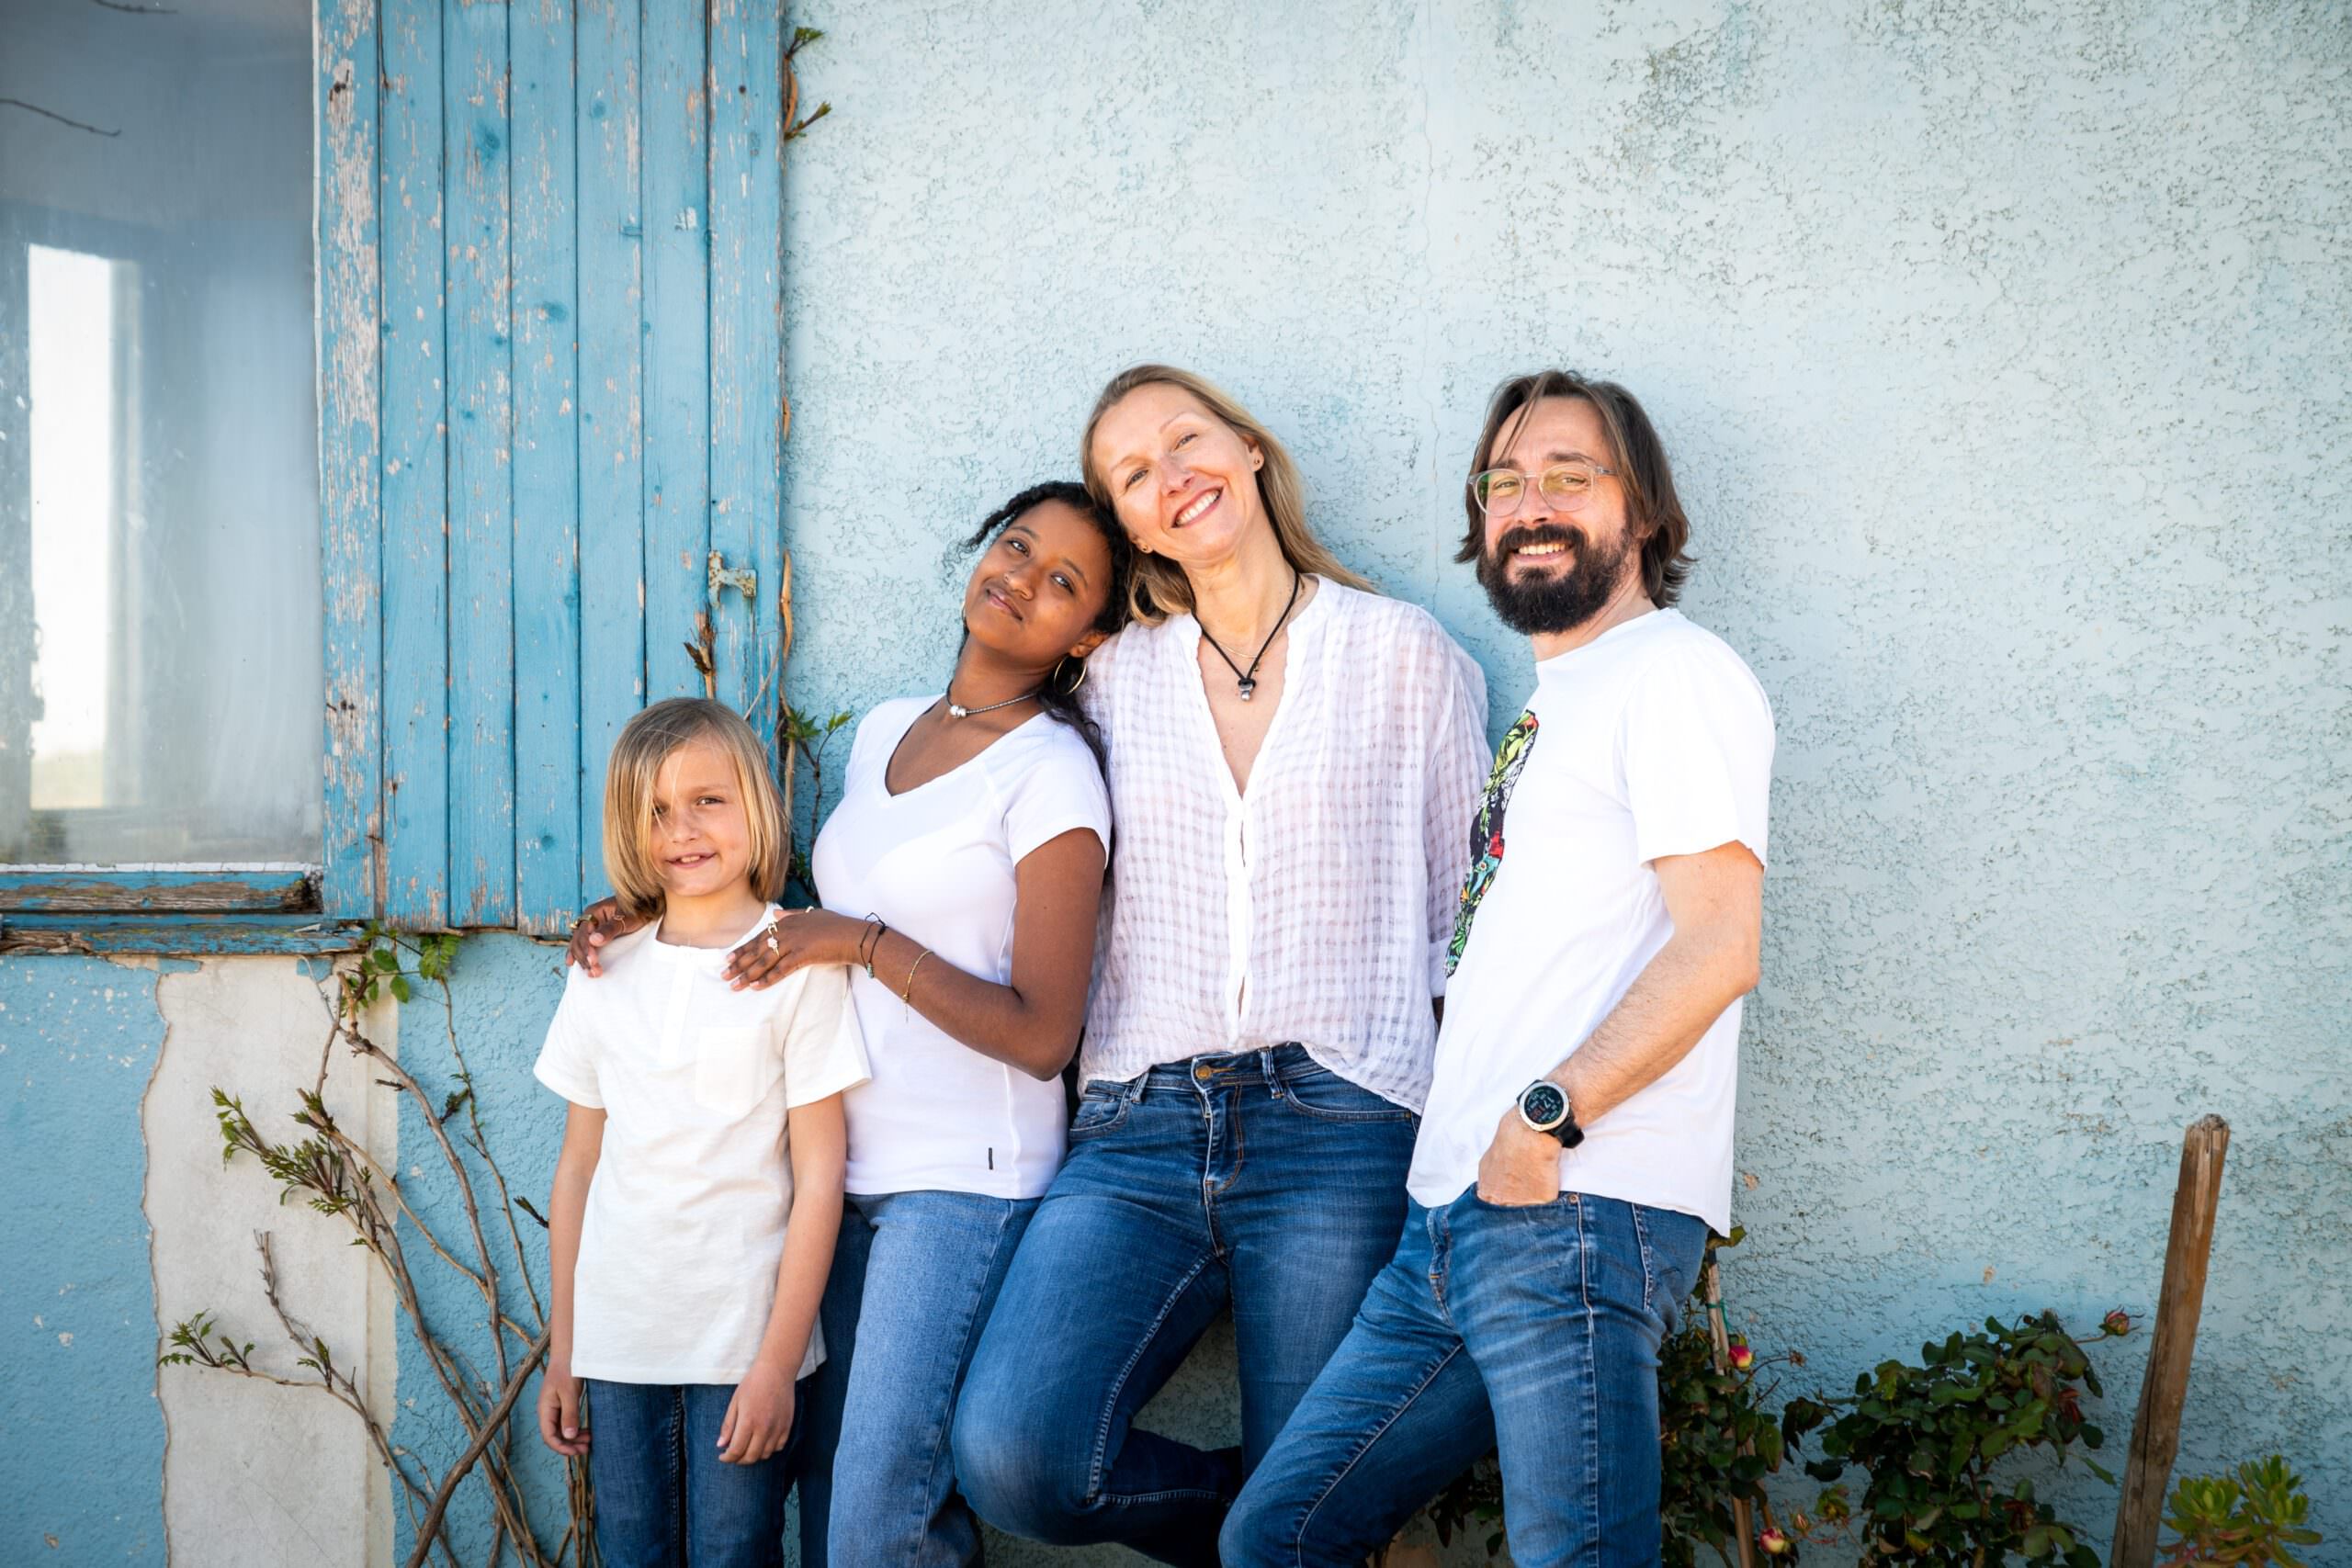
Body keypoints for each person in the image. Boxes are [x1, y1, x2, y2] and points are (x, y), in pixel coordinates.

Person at [1222, 370, 1775, 1567]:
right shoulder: (1554, 704)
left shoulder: (1672, 674)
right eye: (1505, 480)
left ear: (1643, 512)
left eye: (1570, 476)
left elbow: (1722, 941)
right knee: (1283, 1529)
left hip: (1573, 1199)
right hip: (1452, 1219)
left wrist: (1546, 1115)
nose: (1533, 502)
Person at [944, 366, 1489, 1566]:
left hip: (1343, 1117)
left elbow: (1472, 936)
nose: (1171, 475)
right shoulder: (1103, 683)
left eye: (1186, 440)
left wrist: (1471, 1156)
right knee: (1015, 1455)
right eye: (1134, 474)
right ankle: (1277, 1523)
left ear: (1247, 448)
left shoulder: (1407, 655)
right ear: (1131, 526)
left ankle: (1297, 1527)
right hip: (1136, 1126)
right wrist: (674, 901)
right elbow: (960, 820)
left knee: (1308, 1510)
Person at [569, 484, 1131, 1567]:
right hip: (827, 1178)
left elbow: (1043, 1035)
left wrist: (862, 941)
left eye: (1063, 582)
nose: (1021, 578)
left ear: (1089, 636)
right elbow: (790, 918)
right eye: (1016, 546)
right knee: (821, 1503)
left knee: (879, 1523)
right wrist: (648, 914)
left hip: (958, 1185)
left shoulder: (1052, 775)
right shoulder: (885, 729)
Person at [535, 697, 869, 1568]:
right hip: (618, 1340)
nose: (681, 829)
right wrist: (565, 1348)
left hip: (742, 1343)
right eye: (654, 810)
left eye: (706, 801)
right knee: (633, 1549)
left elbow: (820, 1176)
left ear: (754, 806)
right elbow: (577, 1169)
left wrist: (777, 1363)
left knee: (735, 1549)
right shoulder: (603, 970)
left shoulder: (795, 965)